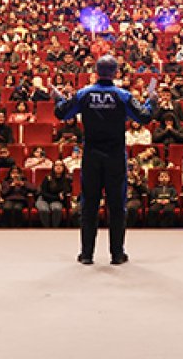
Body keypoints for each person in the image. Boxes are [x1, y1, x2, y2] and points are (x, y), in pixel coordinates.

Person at [53, 55, 153, 265]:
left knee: (89, 205)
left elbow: (61, 113)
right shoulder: (122, 95)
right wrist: (152, 101)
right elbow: (143, 116)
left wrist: (59, 98)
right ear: (116, 72)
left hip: (91, 156)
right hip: (115, 156)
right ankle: (117, 254)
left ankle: (86, 254)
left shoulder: (84, 93)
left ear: (96, 71)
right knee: (117, 206)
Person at [36, 160, 74, 228]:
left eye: (60, 165)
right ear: (53, 167)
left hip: (56, 201)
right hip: (44, 199)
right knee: (44, 209)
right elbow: (44, 193)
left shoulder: (67, 179)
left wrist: (61, 195)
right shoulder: (47, 178)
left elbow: (67, 191)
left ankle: (55, 228)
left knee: (56, 208)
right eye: (56, 165)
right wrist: (57, 197)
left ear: (63, 167)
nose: (58, 167)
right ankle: (46, 228)